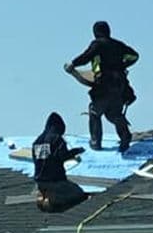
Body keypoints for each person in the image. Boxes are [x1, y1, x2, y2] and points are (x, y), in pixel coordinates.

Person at [64, 20, 138, 152]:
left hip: (104, 85)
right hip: (119, 85)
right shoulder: (118, 45)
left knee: (95, 111)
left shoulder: (98, 44)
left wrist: (73, 64)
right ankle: (125, 136)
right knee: (114, 114)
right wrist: (122, 66)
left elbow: (86, 56)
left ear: (95, 33)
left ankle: (95, 142)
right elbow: (134, 56)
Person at [32, 112, 88, 213]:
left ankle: (43, 199)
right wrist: (76, 151)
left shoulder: (37, 141)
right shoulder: (56, 139)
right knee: (79, 194)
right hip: (55, 180)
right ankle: (52, 202)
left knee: (47, 192)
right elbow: (62, 156)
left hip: (40, 181)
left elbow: (39, 159)